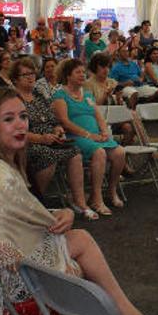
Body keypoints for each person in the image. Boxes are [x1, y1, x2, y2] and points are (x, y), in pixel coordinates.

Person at [0, 87, 142, 315]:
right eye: (9, 119)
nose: (20, 125)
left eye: (23, 116)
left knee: (79, 240)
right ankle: (128, 312)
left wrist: (62, 212)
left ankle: (126, 311)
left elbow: (18, 213)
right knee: (80, 264)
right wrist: (61, 267)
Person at [10, 58, 97, 220]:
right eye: (25, 74)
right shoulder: (12, 99)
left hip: (51, 139)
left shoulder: (38, 96)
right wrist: (41, 138)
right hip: (27, 143)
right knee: (48, 156)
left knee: (75, 153)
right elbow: (14, 131)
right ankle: (35, 202)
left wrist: (57, 129)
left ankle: (80, 202)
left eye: (32, 73)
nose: (30, 77)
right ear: (15, 79)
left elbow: (53, 119)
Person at [52, 59, 127, 216]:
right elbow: (64, 122)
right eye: (78, 72)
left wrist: (104, 131)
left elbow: (98, 115)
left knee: (120, 152)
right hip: (77, 136)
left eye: (83, 72)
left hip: (96, 136)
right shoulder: (60, 95)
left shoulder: (86, 94)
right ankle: (96, 198)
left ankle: (112, 190)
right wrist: (88, 135)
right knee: (99, 152)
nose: (82, 75)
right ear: (67, 75)